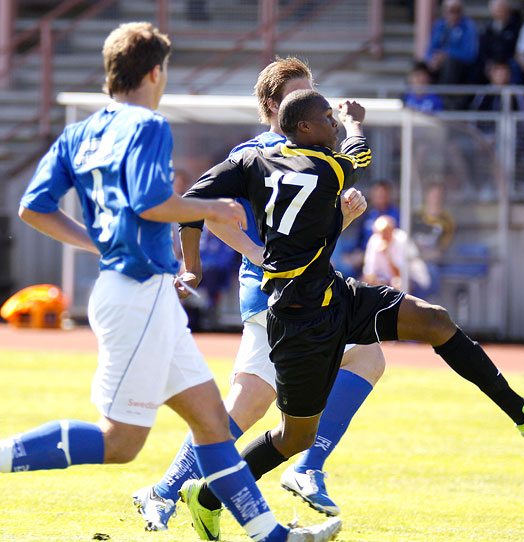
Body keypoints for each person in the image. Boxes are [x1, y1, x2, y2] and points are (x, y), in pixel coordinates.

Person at [0, 23, 341, 542]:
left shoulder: (79, 131)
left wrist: (100, 243)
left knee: (211, 424)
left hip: (138, 290)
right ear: (156, 72)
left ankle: (271, 534)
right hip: (137, 293)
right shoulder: (149, 127)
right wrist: (209, 206)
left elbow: (33, 208)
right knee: (122, 443)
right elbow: (148, 204)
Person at [179, 88, 524, 535]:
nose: (332, 123)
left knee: (434, 320)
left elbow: (191, 202)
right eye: (325, 117)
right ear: (305, 128)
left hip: (333, 294)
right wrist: (354, 122)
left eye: (333, 117)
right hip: (299, 319)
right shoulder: (325, 165)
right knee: (295, 439)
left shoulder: (252, 163)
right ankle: (206, 495)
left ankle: (522, 413)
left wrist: (190, 267)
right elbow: (358, 154)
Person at [132, 57, 386, 536]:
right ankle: (166, 491)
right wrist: (255, 253)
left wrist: (344, 218)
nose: (309, 102)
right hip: (274, 300)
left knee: (367, 358)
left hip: (311, 294)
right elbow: (208, 211)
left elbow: (309, 231)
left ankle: (306, 466)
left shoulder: (311, 147)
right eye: (296, 94)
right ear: (273, 105)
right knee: (243, 409)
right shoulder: (259, 150)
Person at [425, 0, 480, 107]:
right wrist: (431, 59)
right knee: (419, 66)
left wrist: (446, 54)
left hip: (462, 67)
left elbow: (470, 53)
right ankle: (416, 99)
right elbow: (430, 49)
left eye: (456, 10)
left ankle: (446, 99)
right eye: (450, 10)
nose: (453, 14)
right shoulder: (439, 25)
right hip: (439, 64)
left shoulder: (469, 26)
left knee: (450, 63)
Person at [361, 214, 431, 294]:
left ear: (392, 229)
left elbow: (399, 274)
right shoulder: (375, 240)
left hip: (414, 281)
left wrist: (387, 254)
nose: (383, 236)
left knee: (398, 284)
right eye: (380, 233)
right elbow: (369, 273)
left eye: (385, 232)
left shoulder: (401, 239)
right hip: (389, 281)